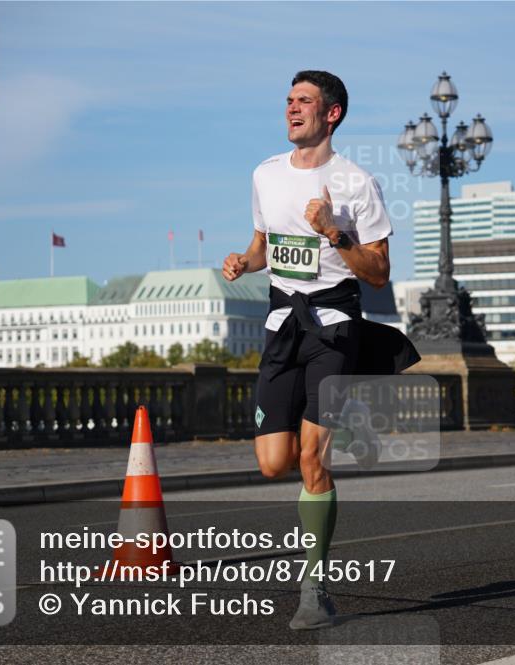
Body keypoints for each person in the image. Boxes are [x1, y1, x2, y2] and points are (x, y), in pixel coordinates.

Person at [222, 70, 417, 629]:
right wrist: (243, 261)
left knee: (312, 459)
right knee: (271, 464)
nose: (291, 109)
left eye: (304, 101)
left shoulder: (356, 183)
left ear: (331, 114)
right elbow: (263, 246)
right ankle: (349, 417)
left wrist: (335, 232)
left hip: (334, 327)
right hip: (282, 325)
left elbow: (378, 272)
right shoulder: (265, 174)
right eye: (288, 100)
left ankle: (316, 590)